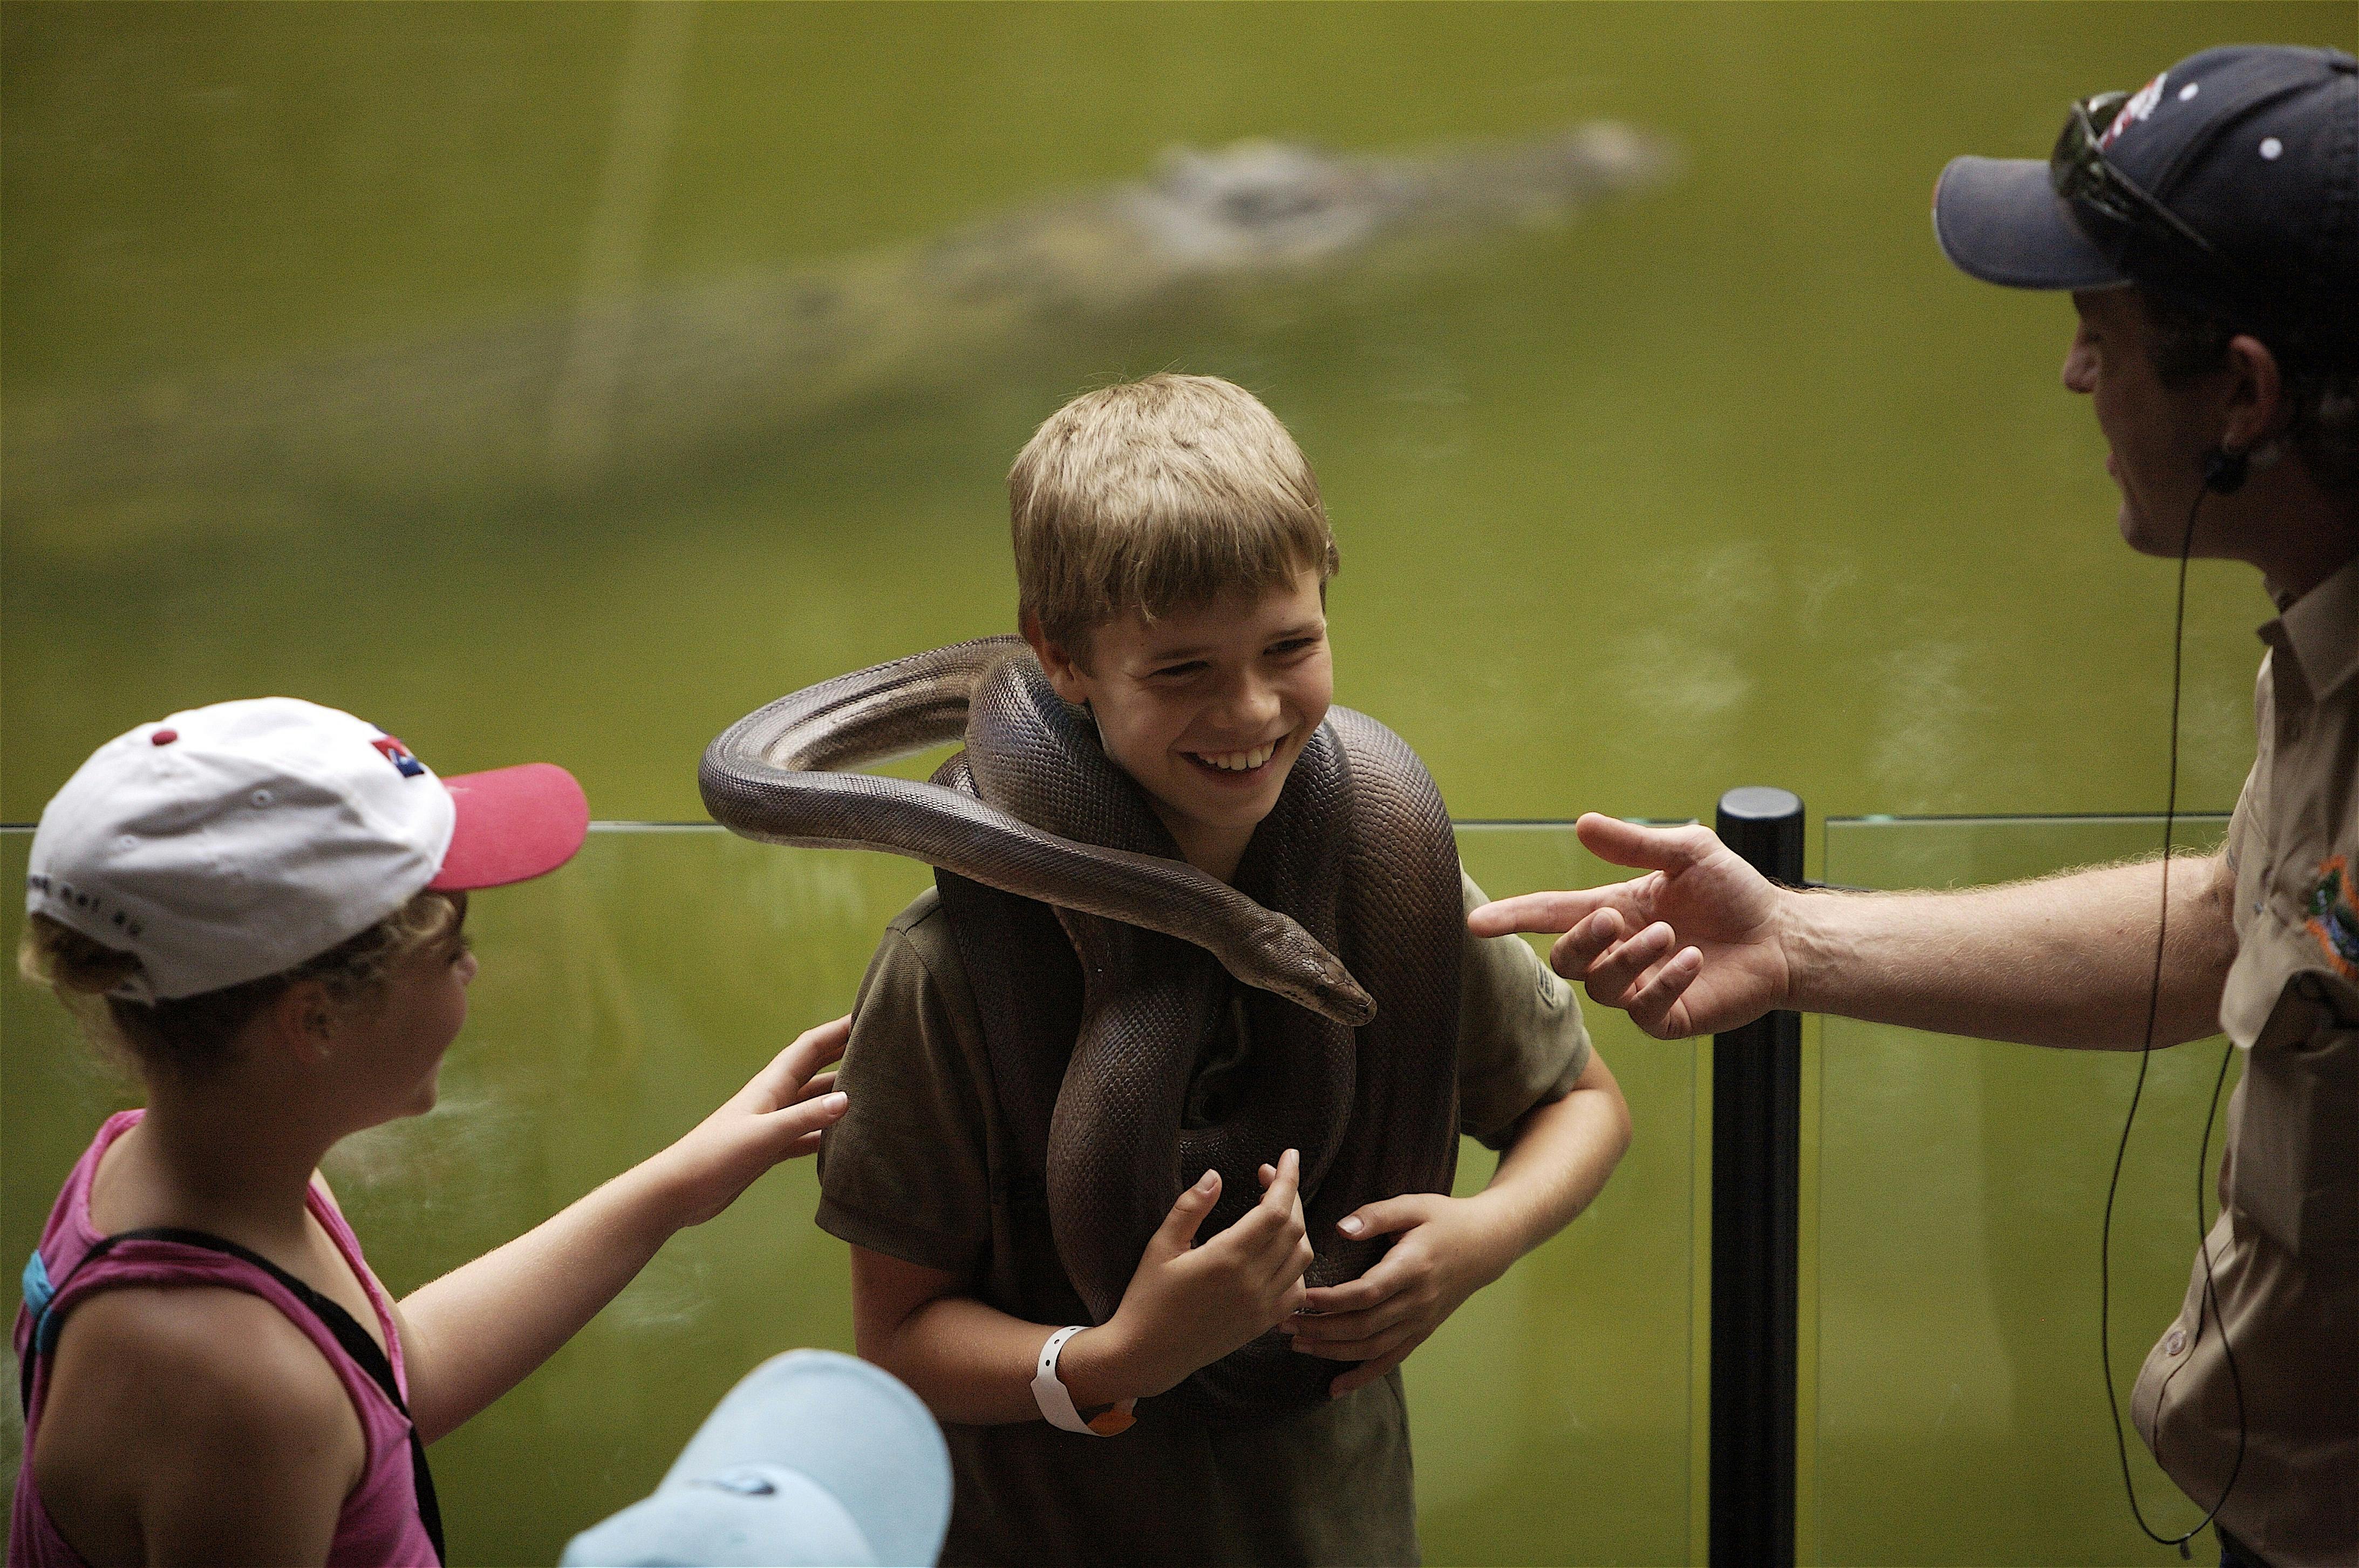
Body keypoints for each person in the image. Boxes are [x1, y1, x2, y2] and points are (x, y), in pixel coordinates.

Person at [1473, 44, 2356, 1568]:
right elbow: (2241, 921)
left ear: (2247, 395)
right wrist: (1796, 941)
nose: (2072, 374)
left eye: (2100, 332)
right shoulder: (2325, 638)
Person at [815, 373, 1633, 1566]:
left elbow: (1579, 1105)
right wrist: (1119, 1358)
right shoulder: (947, 969)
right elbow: (894, 1341)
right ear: (1060, 657)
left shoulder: (1392, 884)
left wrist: (1483, 1236)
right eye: (1180, 670)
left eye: (1289, 646)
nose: (1248, 707)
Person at [11, 698, 852, 1567]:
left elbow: (387, 1378)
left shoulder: (173, 1166)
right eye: (450, 951)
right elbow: (307, 1404)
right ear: (318, 1020)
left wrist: (680, 1182)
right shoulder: (233, 1395)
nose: (476, 968)